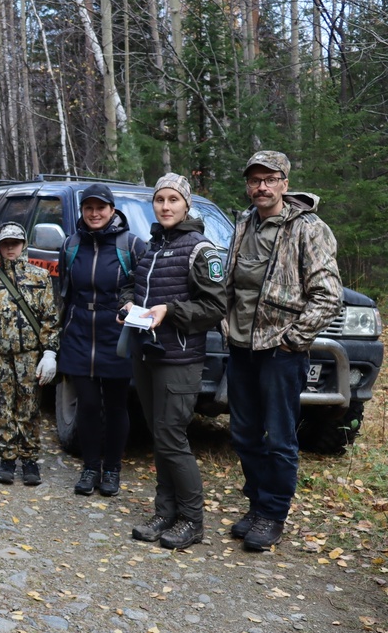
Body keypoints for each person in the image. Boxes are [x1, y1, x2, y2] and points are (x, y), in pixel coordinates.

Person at [224, 151, 342, 552]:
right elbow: (231, 285)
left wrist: (294, 339)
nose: (262, 187)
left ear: (285, 184)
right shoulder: (244, 223)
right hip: (241, 348)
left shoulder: (309, 229)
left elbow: (328, 295)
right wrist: (225, 325)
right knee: (244, 434)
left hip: (280, 351)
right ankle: (258, 505)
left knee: (278, 438)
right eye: (255, 180)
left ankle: (273, 514)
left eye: (270, 179)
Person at [126, 174, 227, 550]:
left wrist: (170, 310)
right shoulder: (153, 246)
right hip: (147, 354)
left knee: (172, 437)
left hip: (179, 358)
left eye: (173, 200)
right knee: (160, 437)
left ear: (186, 205)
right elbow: (135, 286)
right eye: (160, 200)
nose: (165, 206)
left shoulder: (200, 249)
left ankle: (192, 520)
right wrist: (127, 305)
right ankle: (165, 512)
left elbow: (215, 306)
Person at [57, 184, 147, 496]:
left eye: (100, 208)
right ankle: (90, 467)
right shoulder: (71, 245)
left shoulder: (131, 245)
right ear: (82, 211)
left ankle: (112, 470)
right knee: (88, 404)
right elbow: (64, 292)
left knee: (116, 405)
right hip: (79, 333)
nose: (94, 214)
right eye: (88, 208)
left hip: (116, 335)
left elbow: (143, 289)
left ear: (112, 209)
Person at [0, 222, 60, 486]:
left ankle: (29, 459)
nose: (10, 248)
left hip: (30, 357)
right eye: (5, 244)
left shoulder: (40, 278)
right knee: (2, 408)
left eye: (15, 243)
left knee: (30, 409)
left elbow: (50, 318)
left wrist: (50, 353)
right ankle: (7, 459)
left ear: (24, 245)